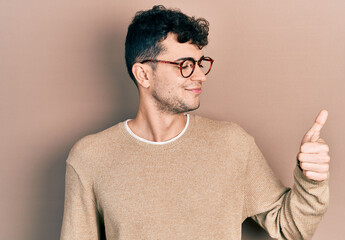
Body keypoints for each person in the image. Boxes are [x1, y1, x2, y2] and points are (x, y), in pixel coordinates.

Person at [60, 5, 330, 240]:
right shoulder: (90, 158)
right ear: (143, 74)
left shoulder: (232, 144)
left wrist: (311, 180)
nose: (200, 75)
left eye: (201, 63)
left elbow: (291, 227)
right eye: (185, 64)